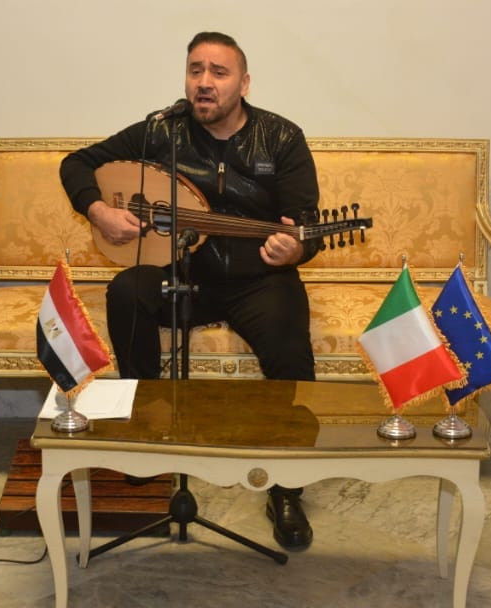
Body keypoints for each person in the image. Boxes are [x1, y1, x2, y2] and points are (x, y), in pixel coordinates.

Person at [60, 31, 320, 550]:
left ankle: (288, 487)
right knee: (127, 292)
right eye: (195, 70)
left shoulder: (281, 138)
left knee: (290, 344)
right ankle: (146, 432)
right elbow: (76, 163)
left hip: (258, 279)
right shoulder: (162, 131)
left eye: (219, 72)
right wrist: (100, 211)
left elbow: (306, 224)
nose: (204, 82)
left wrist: (294, 250)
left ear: (244, 83)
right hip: (183, 274)